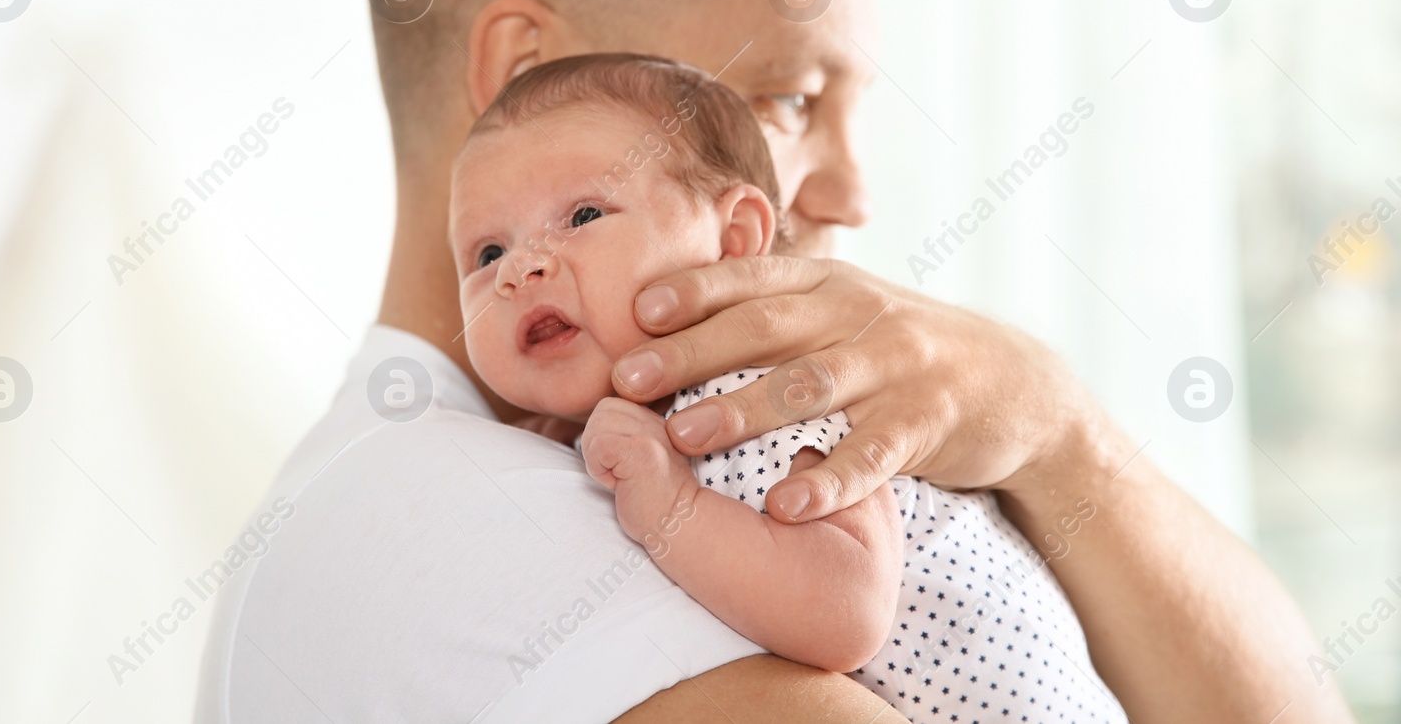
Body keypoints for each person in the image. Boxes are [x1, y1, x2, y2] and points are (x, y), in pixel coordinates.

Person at [195, 0, 1351, 723]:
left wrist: (1055, 431)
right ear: (526, 78)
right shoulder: (450, 511)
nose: (847, 192)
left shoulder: (653, 450)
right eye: (792, 97)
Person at [451, 52, 1125, 722]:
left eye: (584, 216)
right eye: (488, 254)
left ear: (734, 238)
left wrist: (668, 503)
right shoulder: (615, 421)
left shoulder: (761, 386)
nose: (521, 268)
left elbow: (845, 613)